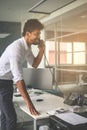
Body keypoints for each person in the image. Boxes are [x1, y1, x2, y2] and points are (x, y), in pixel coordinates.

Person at [0, 19, 45, 130]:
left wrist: (42, 50)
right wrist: (29, 103)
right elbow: (19, 79)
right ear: (28, 34)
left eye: (39, 34)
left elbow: (34, 64)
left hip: (7, 81)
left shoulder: (27, 47)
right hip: (1, 81)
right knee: (11, 116)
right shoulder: (16, 48)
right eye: (36, 34)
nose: (38, 37)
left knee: (5, 114)